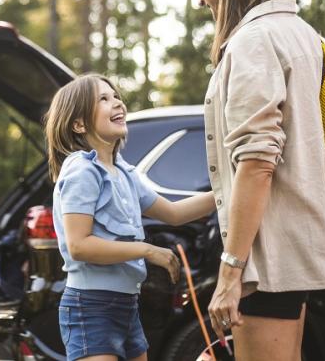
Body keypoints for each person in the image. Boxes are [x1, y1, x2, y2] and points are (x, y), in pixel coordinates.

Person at [184, 0, 325, 361]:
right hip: (295, 246)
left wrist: (231, 270)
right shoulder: (310, 38)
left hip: (265, 255)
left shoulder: (253, 41)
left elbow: (257, 161)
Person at [44, 74, 218, 361]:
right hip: (90, 308)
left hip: (126, 305)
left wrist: (231, 192)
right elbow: (79, 246)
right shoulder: (82, 172)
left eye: (116, 97)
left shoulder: (124, 173)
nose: (117, 103)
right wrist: (148, 250)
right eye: (103, 99)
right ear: (79, 124)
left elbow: (174, 213)